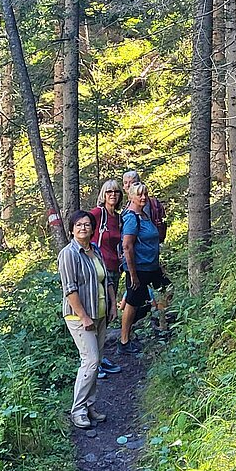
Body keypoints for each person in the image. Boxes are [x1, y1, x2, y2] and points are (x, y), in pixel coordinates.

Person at [58, 210, 117, 429]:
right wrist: (83, 317)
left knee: (97, 361)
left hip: (100, 314)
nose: (83, 228)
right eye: (79, 225)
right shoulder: (69, 254)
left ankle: (90, 406)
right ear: (72, 229)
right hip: (80, 316)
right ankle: (78, 410)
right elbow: (70, 289)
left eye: (87, 225)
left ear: (93, 229)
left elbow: (107, 280)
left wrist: (112, 304)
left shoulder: (95, 251)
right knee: (90, 361)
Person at [117, 182, 168, 354]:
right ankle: (124, 341)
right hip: (138, 268)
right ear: (131, 196)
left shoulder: (144, 216)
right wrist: (133, 275)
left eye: (145, 194)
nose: (143, 197)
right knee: (132, 302)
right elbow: (127, 246)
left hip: (151, 266)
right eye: (139, 194)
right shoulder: (131, 217)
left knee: (167, 290)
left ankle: (161, 326)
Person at [90, 179, 124, 378]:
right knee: (97, 311)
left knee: (108, 312)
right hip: (97, 269)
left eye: (117, 192)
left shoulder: (117, 218)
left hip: (113, 268)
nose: (113, 195)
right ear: (103, 194)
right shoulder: (97, 214)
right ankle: (94, 361)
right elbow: (80, 229)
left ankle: (100, 357)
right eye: (109, 191)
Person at [122, 170, 167, 243]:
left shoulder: (144, 203)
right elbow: (127, 244)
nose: (128, 185)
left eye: (132, 182)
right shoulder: (128, 208)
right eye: (125, 183)